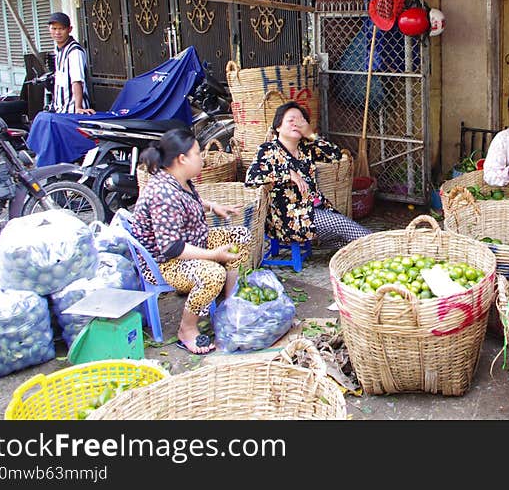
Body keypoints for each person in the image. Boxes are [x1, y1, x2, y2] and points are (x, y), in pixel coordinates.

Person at [130, 128, 250, 354]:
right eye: (197, 153)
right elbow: (172, 248)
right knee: (213, 274)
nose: (201, 158)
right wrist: (214, 256)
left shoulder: (177, 179)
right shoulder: (163, 194)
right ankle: (187, 329)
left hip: (191, 242)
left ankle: (229, 305)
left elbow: (188, 198)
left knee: (240, 235)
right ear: (182, 159)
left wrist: (213, 206)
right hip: (165, 264)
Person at [245, 101, 371, 248]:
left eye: (301, 121)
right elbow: (251, 178)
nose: (296, 125)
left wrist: (311, 135)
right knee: (343, 224)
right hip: (288, 218)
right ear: (278, 126)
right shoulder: (268, 150)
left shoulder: (306, 148)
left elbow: (335, 155)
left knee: (346, 241)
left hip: (315, 209)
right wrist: (288, 174)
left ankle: (367, 252)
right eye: (291, 121)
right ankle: (382, 246)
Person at [48, 12, 93, 114]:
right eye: (54, 29)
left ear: (69, 29)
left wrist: (78, 107)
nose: (57, 32)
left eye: (61, 29)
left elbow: (77, 81)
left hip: (72, 111)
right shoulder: (58, 49)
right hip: (60, 109)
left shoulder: (74, 51)